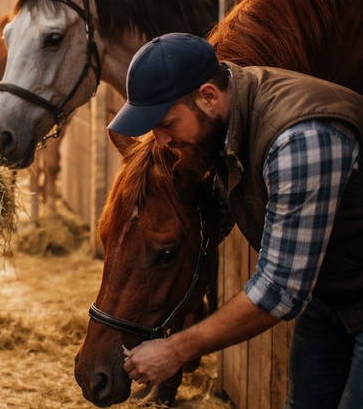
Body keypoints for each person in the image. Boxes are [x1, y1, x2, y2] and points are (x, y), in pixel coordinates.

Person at [108, 33, 363, 409]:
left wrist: (175, 349)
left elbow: (279, 290)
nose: (160, 141)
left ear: (208, 96)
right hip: (329, 296)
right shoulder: (227, 121)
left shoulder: (298, 140)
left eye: (166, 124)